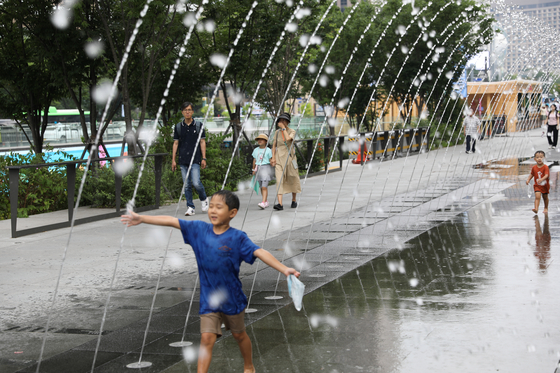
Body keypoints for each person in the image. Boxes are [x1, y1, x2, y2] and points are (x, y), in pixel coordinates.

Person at [120, 190, 300, 373]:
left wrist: (284, 269)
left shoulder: (238, 238)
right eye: (211, 206)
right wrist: (142, 218)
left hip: (232, 298)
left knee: (239, 335)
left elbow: (259, 252)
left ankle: (249, 366)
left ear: (232, 213)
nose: (213, 210)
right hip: (209, 298)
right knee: (207, 338)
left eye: (219, 207)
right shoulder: (199, 230)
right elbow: (173, 221)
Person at [172, 102, 209, 216]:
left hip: (196, 158)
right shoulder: (178, 127)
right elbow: (176, 143)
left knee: (196, 182)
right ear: (182, 112)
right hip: (183, 159)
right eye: (185, 110)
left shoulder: (198, 125)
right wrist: (173, 160)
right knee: (186, 185)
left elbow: (202, 142)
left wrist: (204, 158)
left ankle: (204, 199)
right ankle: (190, 207)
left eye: (189, 110)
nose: (187, 112)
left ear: (192, 112)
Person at [271, 113, 301, 210]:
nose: (282, 122)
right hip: (279, 158)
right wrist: (273, 158)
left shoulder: (292, 131)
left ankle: (294, 200)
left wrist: (283, 129)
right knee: (279, 180)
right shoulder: (277, 132)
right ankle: (280, 204)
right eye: (281, 120)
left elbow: (288, 139)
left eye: (284, 120)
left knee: (293, 178)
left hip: (290, 158)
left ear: (287, 122)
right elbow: (274, 145)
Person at [252, 133, 274, 209]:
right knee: (261, 186)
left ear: (265, 141)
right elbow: (254, 160)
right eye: (259, 139)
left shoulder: (268, 150)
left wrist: (273, 162)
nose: (260, 141)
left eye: (262, 139)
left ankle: (263, 202)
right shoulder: (256, 150)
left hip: (266, 168)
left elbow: (271, 160)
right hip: (258, 169)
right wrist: (253, 169)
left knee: (264, 186)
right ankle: (265, 201)